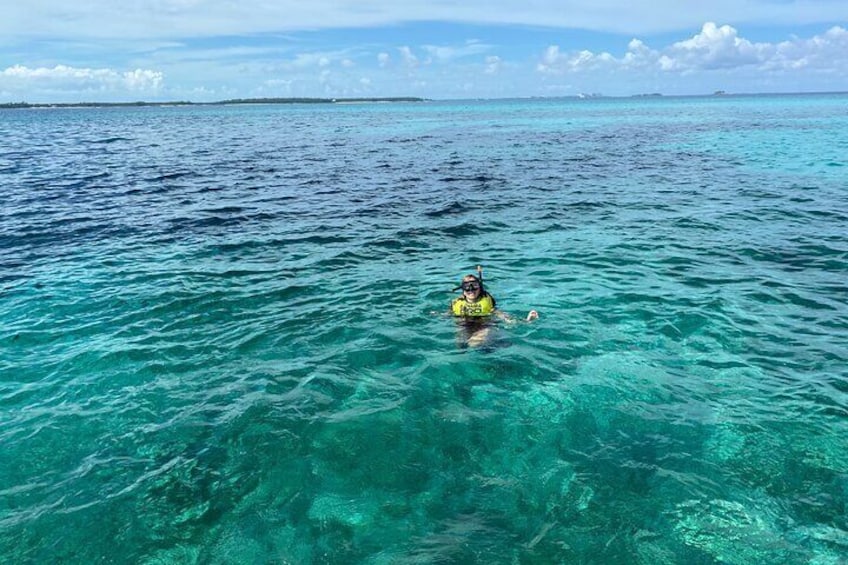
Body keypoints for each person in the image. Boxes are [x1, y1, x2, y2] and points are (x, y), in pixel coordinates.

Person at [448, 270, 538, 347]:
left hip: (485, 325)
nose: (471, 289)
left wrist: (512, 320)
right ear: (463, 290)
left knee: (473, 343)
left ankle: (526, 322)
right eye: (467, 287)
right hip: (465, 325)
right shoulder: (457, 303)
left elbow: (498, 313)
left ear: (480, 288)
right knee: (460, 345)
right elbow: (448, 314)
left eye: (474, 286)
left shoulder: (487, 300)